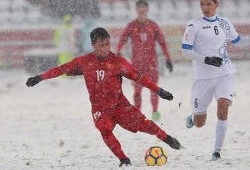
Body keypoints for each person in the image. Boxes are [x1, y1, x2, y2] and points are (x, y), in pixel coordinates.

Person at [26, 27, 181, 167]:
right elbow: (61, 69)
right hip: (100, 108)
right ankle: (124, 160)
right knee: (105, 130)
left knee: (145, 125)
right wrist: (40, 77)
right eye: (101, 45)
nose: (106, 48)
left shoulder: (118, 62)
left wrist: (160, 91)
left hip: (120, 105)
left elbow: (140, 78)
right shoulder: (84, 62)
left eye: (107, 44)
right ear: (93, 45)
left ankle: (167, 138)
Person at [181, 0, 250, 161]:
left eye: (209, 4)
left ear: (216, 4)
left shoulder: (225, 23)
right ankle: (194, 116)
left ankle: (216, 151)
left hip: (224, 74)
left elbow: (238, 41)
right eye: (202, 4)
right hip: (202, 78)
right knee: (199, 122)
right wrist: (207, 59)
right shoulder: (193, 25)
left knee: (223, 106)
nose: (205, 7)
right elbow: (185, 51)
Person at [116, 0, 173, 121]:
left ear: (147, 10)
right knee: (137, 91)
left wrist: (168, 59)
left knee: (154, 89)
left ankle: (155, 112)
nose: (141, 10)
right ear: (136, 10)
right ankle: (138, 114)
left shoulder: (153, 26)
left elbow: (162, 43)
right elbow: (122, 40)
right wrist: (119, 51)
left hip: (151, 63)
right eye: (139, 8)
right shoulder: (131, 26)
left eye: (144, 8)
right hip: (137, 64)